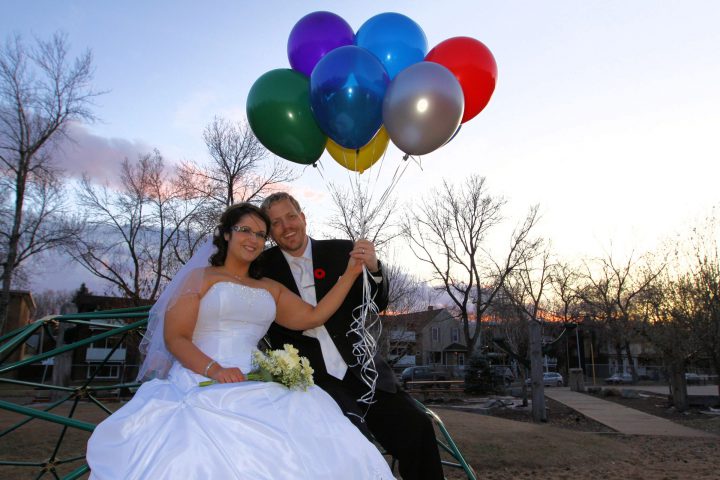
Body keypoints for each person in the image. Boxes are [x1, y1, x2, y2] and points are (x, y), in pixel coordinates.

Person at [86, 203, 394, 479]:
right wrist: (215, 369)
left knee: (318, 437)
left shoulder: (269, 287)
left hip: (258, 378)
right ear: (226, 234)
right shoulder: (200, 278)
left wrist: (351, 274)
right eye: (245, 230)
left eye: (260, 234)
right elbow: (176, 338)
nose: (253, 239)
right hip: (201, 376)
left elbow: (314, 316)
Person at [260, 192, 444, 480]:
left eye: (291, 217)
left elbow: (377, 302)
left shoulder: (341, 251)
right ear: (270, 232)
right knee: (350, 451)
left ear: (303, 217)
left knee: (417, 426)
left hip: (363, 372)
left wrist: (374, 268)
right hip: (311, 385)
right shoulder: (261, 268)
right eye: (276, 223)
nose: (287, 227)